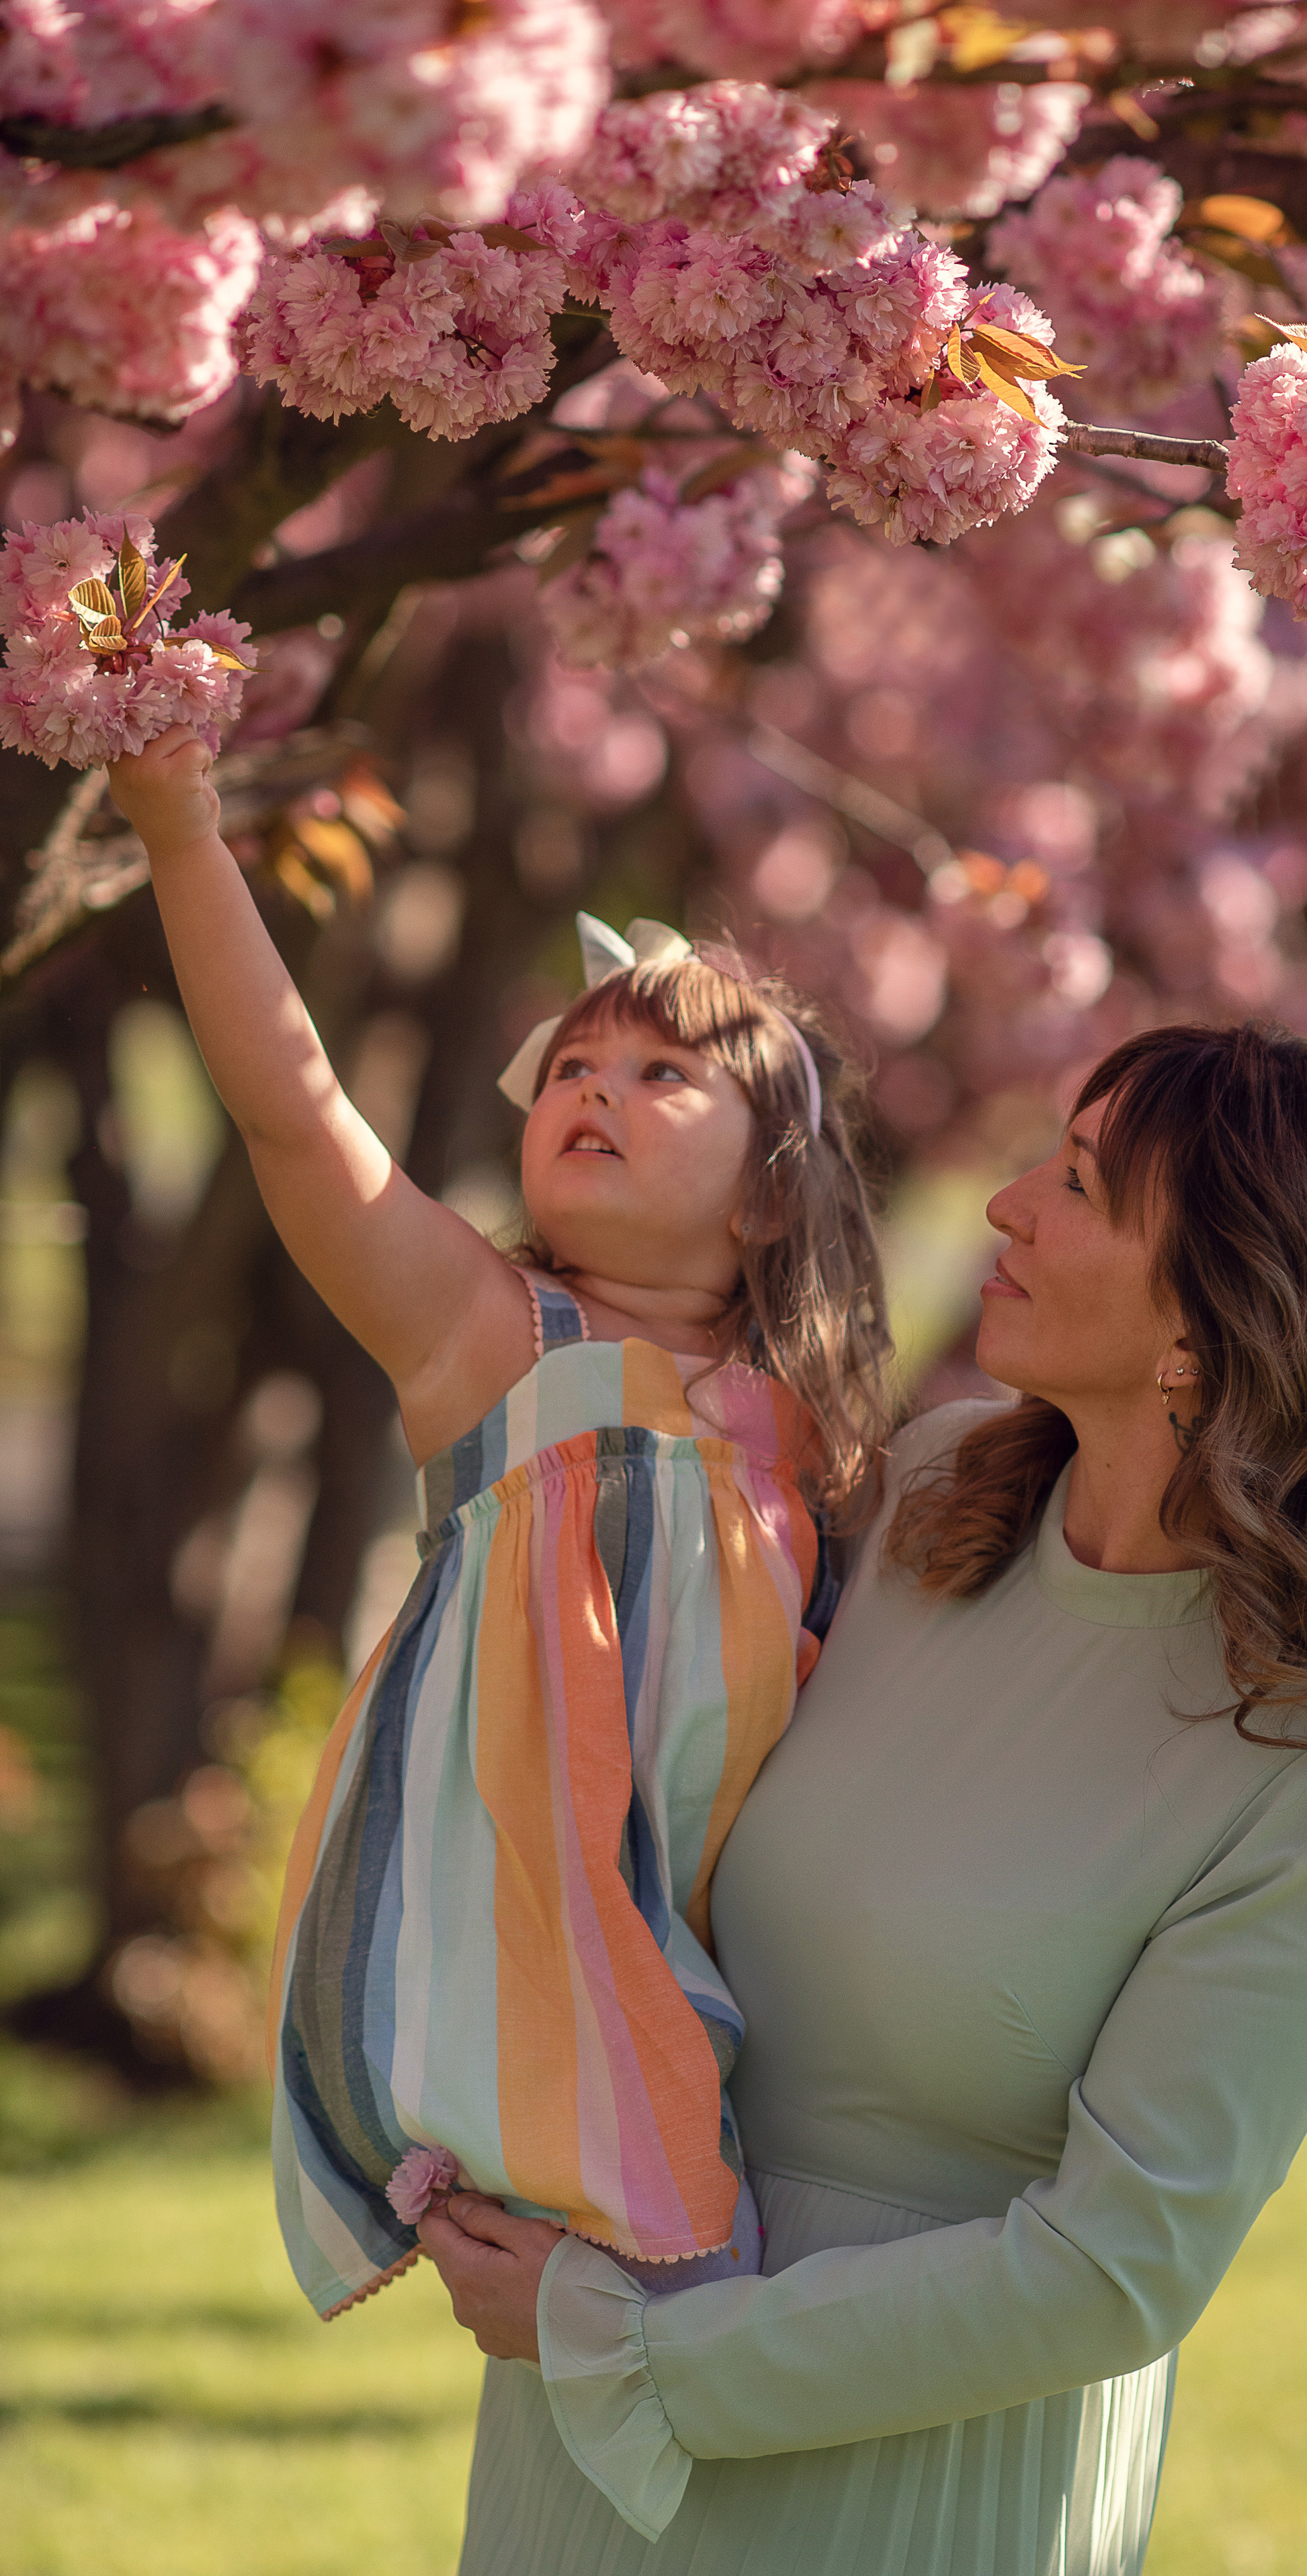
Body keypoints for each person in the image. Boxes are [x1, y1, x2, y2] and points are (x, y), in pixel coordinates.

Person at [417, 1021, 1307, 2576]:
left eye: (1075, 1182)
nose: (1004, 1205)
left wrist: (635, 2352)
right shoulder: (934, 1499)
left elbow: (1114, 2270)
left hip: (906, 2491)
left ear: (1203, 1333)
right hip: (580, 2441)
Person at [106, 729, 892, 2320]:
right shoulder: (490, 1336)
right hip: (549, 1912)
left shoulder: (803, 1424)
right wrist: (183, 834)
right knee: (635, 2284)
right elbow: (290, 1115)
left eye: (661, 1075)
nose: (593, 1089)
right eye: (574, 1071)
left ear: (765, 1197)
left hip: (741, 1911)